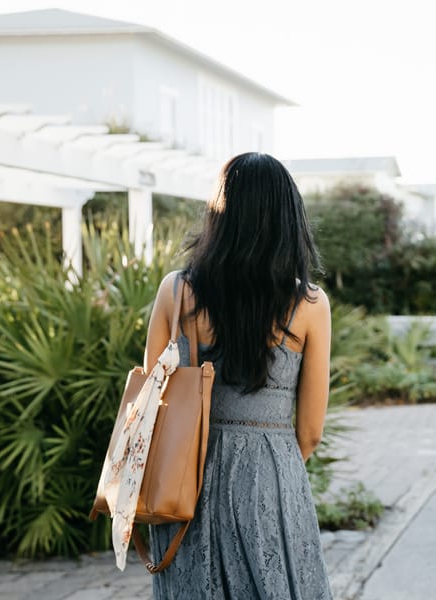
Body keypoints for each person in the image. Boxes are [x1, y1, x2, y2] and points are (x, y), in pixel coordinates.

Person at [143, 152, 333, 599]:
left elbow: (149, 403)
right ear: (289, 219)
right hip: (273, 476)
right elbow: (310, 431)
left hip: (185, 479)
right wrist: (267, 468)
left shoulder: (176, 290)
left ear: (218, 214)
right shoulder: (309, 305)